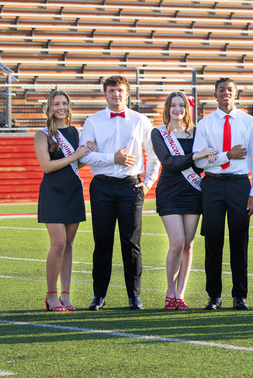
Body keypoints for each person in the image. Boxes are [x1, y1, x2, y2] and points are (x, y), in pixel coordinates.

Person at [79, 75, 160, 311]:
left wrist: (148, 183)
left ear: (127, 94)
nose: (116, 94)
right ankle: (99, 296)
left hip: (130, 187)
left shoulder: (140, 120)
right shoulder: (93, 121)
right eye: (112, 90)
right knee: (102, 242)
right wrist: (111, 158)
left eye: (120, 91)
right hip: (102, 186)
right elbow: (84, 155)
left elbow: (154, 155)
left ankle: (134, 296)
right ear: (104, 94)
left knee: (131, 243)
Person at [192, 78, 253, 310]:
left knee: (239, 242)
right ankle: (214, 296)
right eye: (221, 90)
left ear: (236, 93)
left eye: (229, 90)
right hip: (212, 185)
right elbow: (201, 162)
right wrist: (227, 156)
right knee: (212, 241)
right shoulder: (205, 124)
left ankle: (239, 295)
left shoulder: (249, 122)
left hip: (239, 186)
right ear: (215, 95)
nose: (225, 93)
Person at [150, 91, 210, 311]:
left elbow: (201, 165)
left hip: (193, 191)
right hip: (169, 192)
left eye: (181, 106)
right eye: (173, 106)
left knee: (188, 244)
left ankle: (181, 295)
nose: (177, 110)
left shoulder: (197, 132)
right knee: (177, 243)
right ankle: (170, 292)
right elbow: (168, 162)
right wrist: (195, 156)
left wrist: (209, 156)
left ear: (187, 109)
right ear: (167, 108)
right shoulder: (158, 133)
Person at [34, 90, 93, 312]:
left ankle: (66, 295)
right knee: (57, 244)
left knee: (68, 246)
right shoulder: (41, 134)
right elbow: (47, 166)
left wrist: (86, 153)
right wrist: (76, 155)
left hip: (73, 190)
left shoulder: (74, 131)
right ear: (49, 108)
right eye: (56, 104)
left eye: (64, 103)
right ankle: (51, 295)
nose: (61, 107)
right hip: (53, 192)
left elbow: (75, 164)